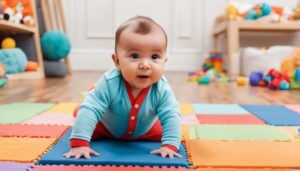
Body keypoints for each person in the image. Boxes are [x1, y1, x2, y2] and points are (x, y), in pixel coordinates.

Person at [63, 16, 182, 160]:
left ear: (165, 61)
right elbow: (91, 111)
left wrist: (169, 146)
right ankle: (91, 96)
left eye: (155, 57)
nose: (145, 64)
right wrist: (79, 145)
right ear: (117, 61)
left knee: (171, 130)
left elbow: (171, 115)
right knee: (85, 113)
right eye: (135, 56)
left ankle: (92, 96)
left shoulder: (162, 88)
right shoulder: (109, 83)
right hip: (105, 128)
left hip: (145, 130)